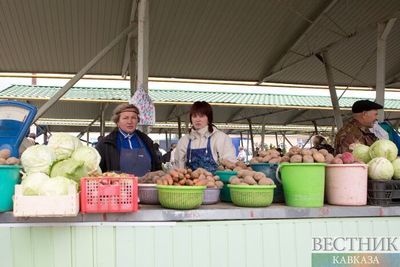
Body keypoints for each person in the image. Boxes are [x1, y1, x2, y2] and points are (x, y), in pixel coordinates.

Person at [95, 103, 161, 176]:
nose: (130, 121)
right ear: (117, 122)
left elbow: (157, 168)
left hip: (146, 186)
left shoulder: (147, 141)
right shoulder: (105, 144)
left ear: (137, 121)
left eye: (133, 118)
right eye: (125, 118)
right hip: (118, 186)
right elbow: (97, 172)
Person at [174, 101, 236, 173]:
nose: (198, 119)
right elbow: (178, 166)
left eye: (202, 116)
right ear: (191, 119)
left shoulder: (221, 138)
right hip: (191, 182)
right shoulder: (184, 141)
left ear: (209, 118)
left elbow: (230, 164)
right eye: (194, 116)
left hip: (216, 182)